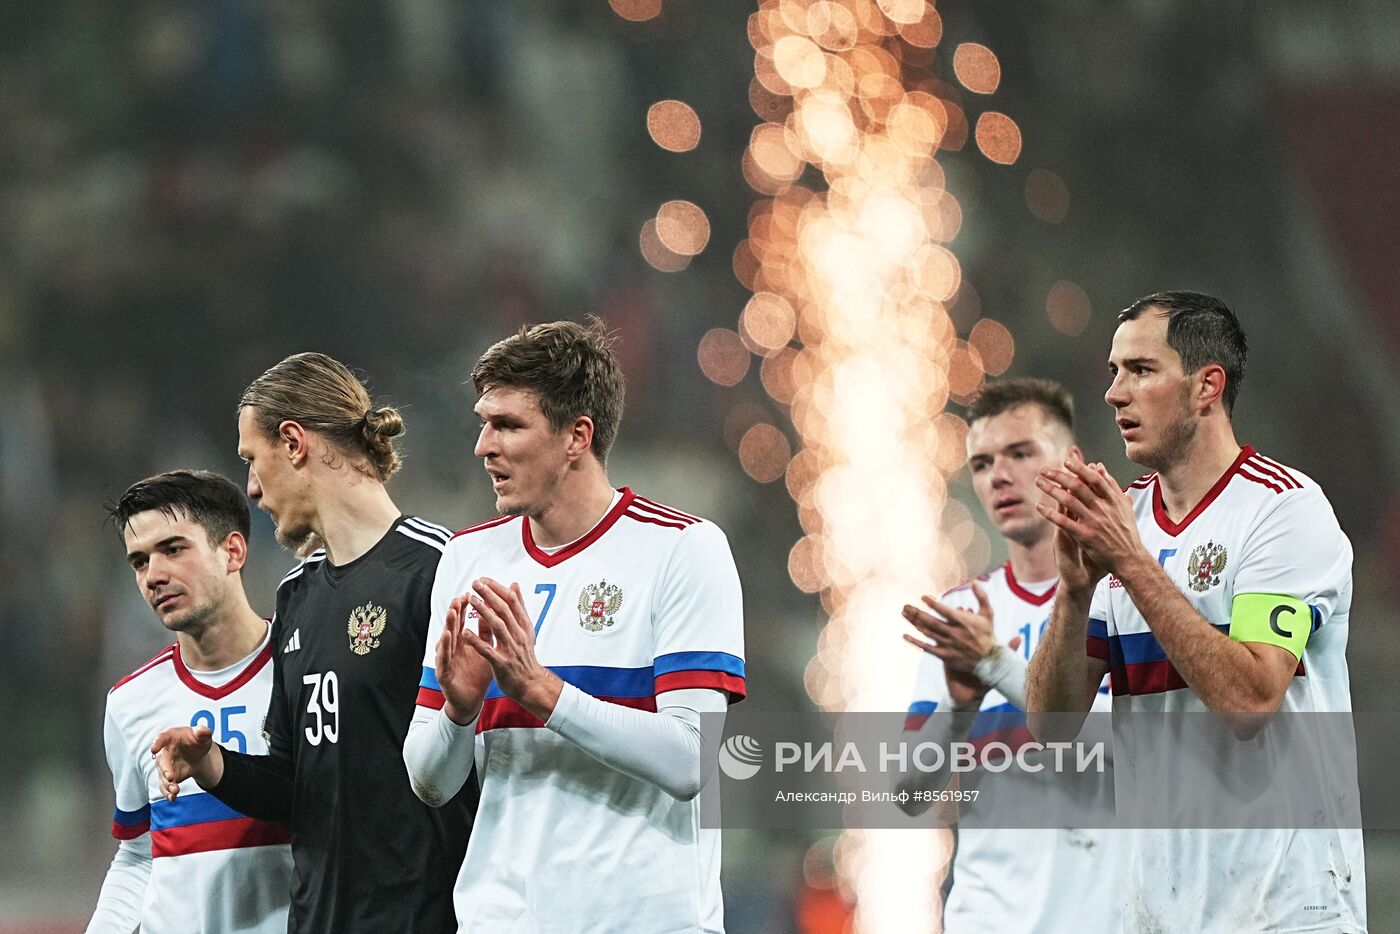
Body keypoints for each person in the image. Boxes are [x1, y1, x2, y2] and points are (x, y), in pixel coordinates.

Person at [1027, 291, 1366, 931]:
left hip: (1287, 913)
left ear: (1207, 385)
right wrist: (1073, 597)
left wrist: (1133, 566)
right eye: (1113, 372)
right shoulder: (1121, 520)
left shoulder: (1284, 511)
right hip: (1156, 914)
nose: (1114, 393)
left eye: (1141, 370)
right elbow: (1050, 729)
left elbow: (1251, 701)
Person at [403, 318, 746, 932]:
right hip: (501, 920)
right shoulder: (468, 558)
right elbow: (430, 782)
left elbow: (692, 763)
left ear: (576, 437)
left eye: (507, 424)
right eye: (483, 422)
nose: (483, 445)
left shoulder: (682, 550)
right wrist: (458, 712)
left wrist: (544, 693)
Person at [151, 353, 473, 933]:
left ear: (294, 443)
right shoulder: (296, 594)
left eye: (252, 459)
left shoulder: (439, 569)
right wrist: (214, 765)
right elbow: (295, 785)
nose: (249, 488)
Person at [899, 378, 1121, 933]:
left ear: (1071, 461)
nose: (999, 475)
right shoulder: (962, 614)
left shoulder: (1130, 598)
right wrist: (958, 708)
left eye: (1021, 453)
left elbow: (1133, 757)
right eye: (981, 463)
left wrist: (997, 664)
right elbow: (905, 793)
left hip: (1106, 918)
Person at [89, 470, 292, 934]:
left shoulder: (304, 670)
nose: (154, 576)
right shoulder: (130, 703)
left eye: (173, 549)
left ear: (233, 551)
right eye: (139, 562)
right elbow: (139, 854)